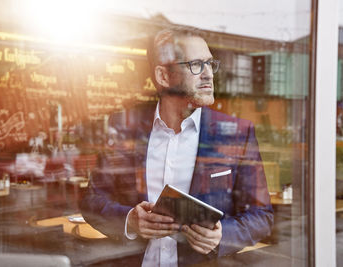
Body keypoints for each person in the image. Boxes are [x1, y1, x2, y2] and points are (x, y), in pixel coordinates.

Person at [80, 27, 273, 266]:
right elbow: (92, 200)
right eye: (196, 65)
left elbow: (261, 216)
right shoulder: (124, 128)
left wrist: (223, 236)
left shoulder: (237, 133)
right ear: (163, 76)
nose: (208, 74)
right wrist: (130, 221)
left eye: (210, 64)